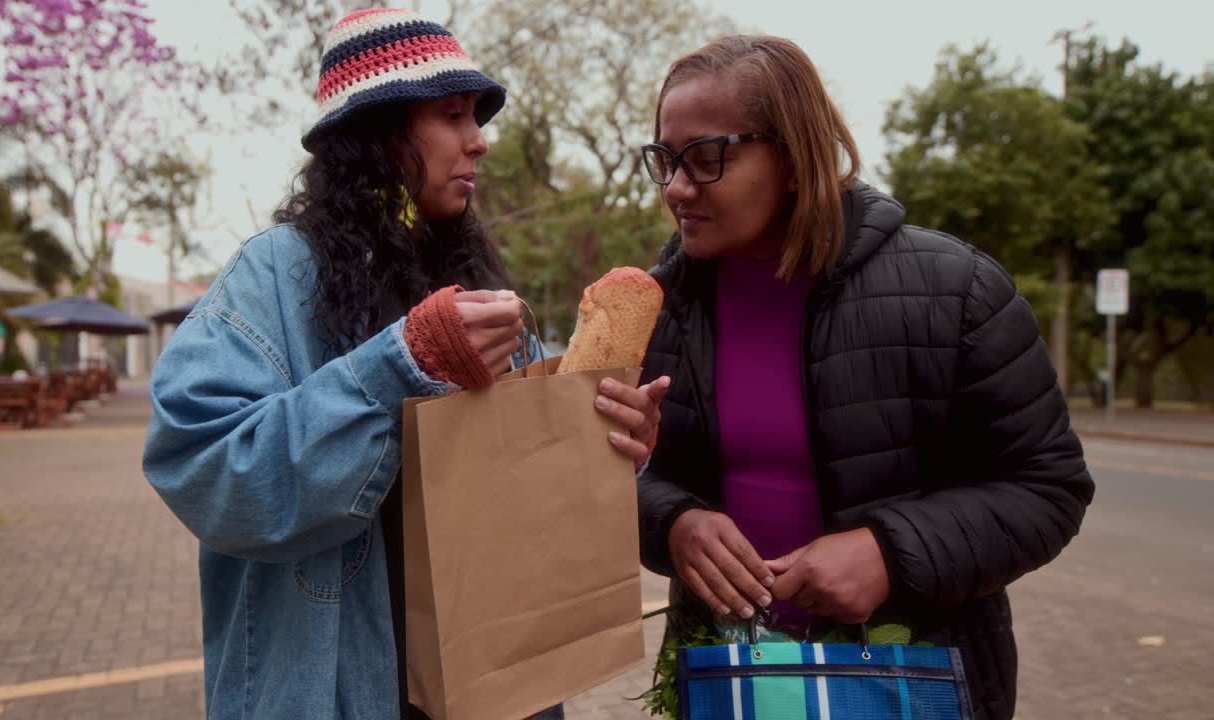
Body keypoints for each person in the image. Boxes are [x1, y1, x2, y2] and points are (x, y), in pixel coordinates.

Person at [142, 8, 667, 719]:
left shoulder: (473, 274)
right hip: (336, 691)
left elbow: (536, 477)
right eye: (452, 115)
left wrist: (612, 441)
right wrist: (400, 365)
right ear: (379, 137)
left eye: (476, 117)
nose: (478, 141)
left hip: (494, 684)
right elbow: (201, 468)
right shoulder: (274, 273)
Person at [635, 35, 1094, 719]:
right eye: (665, 160)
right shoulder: (653, 309)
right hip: (729, 679)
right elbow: (613, 481)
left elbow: (1048, 486)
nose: (676, 187)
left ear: (792, 158)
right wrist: (672, 520)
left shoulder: (958, 292)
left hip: (913, 678)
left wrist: (891, 551)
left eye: (707, 160)